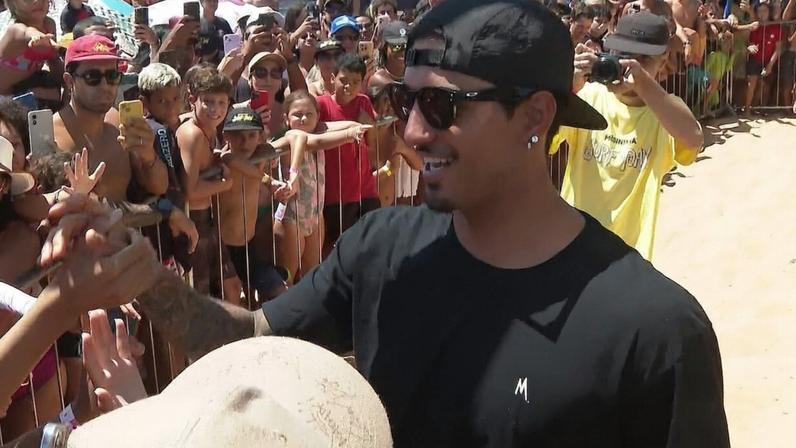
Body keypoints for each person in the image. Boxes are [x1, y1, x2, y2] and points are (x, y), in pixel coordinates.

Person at [43, 1, 729, 446]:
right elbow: (253, 338)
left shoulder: (654, 333)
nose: (410, 131)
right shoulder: (382, 249)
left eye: (444, 109)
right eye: (405, 101)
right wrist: (148, 281)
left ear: (537, 117)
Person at [560, 11, 702, 261]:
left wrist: (642, 82)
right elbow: (536, 136)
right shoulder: (588, 96)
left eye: (643, 60)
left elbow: (693, 139)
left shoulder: (664, 111)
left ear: (665, 58)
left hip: (627, 254)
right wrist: (568, 85)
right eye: (623, 56)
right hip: (573, 243)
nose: (628, 67)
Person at [271, 90, 372, 284]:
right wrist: (350, 134)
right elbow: (315, 141)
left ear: (318, 116)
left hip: (315, 215)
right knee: (287, 278)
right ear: (286, 118)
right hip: (292, 216)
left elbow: (351, 124)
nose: (303, 118)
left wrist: (339, 126)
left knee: (311, 274)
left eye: (309, 114)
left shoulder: (317, 130)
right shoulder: (290, 136)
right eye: (297, 114)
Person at [54, 35, 166, 203]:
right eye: (93, 77)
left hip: (126, 227)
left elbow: (159, 187)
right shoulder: (51, 135)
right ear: (69, 81)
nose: (105, 86)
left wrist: (148, 156)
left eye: (112, 76)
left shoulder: (118, 122)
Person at [176, 64, 239, 300]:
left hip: (209, 223)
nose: (216, 109)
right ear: (194, 100)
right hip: (194, 226)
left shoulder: (207, 130)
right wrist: (225, 184)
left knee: (230, 288)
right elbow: (189, 191)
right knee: (202, 298)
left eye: (221, 103)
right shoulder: (192, 134)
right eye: (209, 102)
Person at [316, 53, 379, 256]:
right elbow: (315, 129)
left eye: (355, 82)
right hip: (336, 194)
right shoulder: (322, 104)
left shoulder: (363, 102)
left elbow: (373, 140)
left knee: (370, 246)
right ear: (333, 77)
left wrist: (370, 122)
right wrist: (350, 127)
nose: (349, 86)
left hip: (366, 190)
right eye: (344, 80)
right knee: (338, 251)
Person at [0, 0, 63, 96]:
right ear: (13, 3)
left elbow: (54, 60)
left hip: (27, 85)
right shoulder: (15, 30)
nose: (37, 1)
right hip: (3, 95)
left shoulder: (49, 24)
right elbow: (28, 32)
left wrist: (68, 85)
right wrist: (37, 36)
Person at [743, 1, 782, 113]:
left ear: (769, 12)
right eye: (759, 11)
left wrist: (770, 65)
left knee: (766, 85)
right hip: (755, 58)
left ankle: (761, 108)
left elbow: (778, 48)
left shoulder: (776, 26)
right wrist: (749, 46)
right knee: (752, 83)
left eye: (764, 11)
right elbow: (746, 41)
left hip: (769, 59)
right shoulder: (754, 25)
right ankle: (747, 109)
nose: (762, 14)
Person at [197, 0, 233, 65]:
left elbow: (232, 45)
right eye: (209, 1)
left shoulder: (223, 23)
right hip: (202, 68)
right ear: (202, 2)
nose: (212, 3)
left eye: (215, 1)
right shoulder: (196, 24)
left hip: (222, 66)